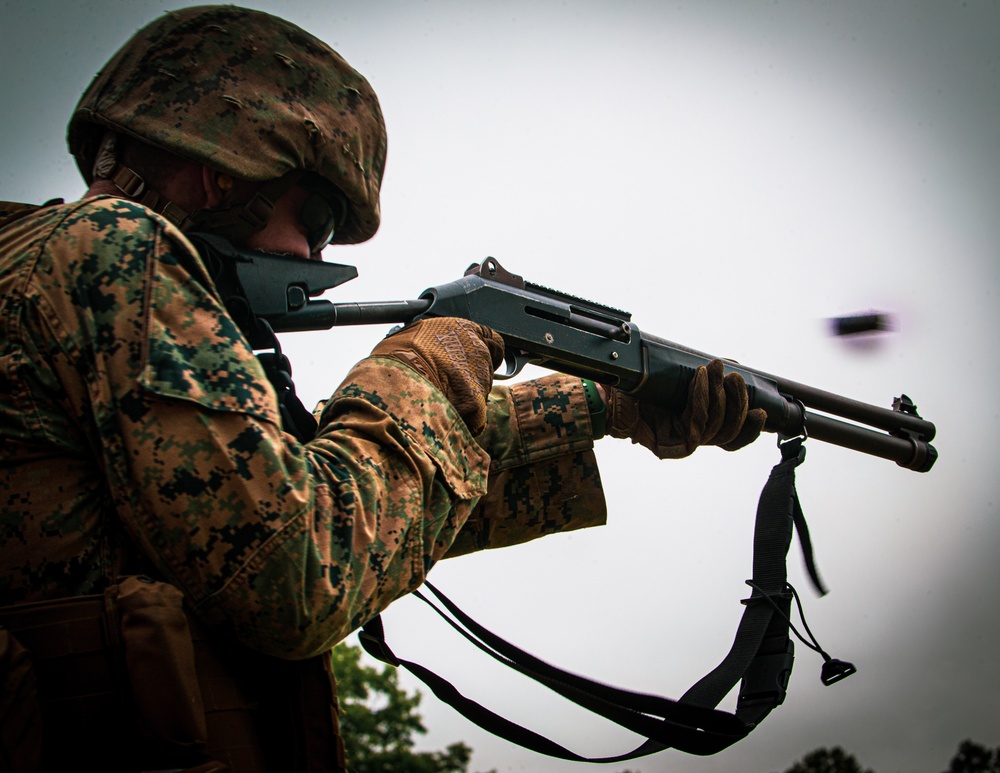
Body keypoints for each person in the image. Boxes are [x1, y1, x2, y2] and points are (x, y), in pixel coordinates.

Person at [0, 6, 765, 771]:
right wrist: (431, 360)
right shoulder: (113, 253)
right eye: (321, 217)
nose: (311, 253)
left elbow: (362, 501)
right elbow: (300, 567)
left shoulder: (44, 269)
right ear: (223, 171)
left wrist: (606, 405)